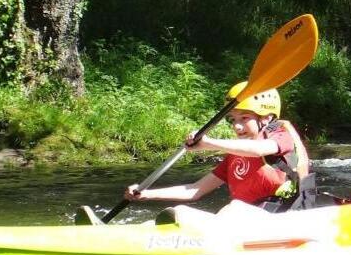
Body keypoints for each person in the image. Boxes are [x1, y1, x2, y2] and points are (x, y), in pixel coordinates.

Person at [124, 82, 315, 212]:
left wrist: (207, 143)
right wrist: (146, 194)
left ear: (267, 118)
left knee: (234, 209)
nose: (237, 126)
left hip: (287, 213)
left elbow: (260, 149)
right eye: (233, 119)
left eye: (245, 118)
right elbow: (194, 190)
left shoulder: (281, 135)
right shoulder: (235, 156)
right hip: (250, 220)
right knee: (181, 212)